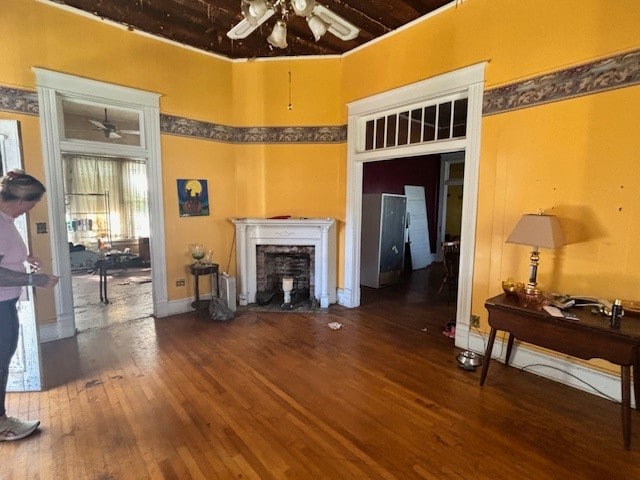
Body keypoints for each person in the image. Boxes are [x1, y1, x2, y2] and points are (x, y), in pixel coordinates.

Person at [0, 169, 58, 441]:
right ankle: (1, 423)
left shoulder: (6, 220)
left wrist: (25, 259)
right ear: (22, 202)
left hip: (6, 303)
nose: (32, 209)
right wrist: (35, 279)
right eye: (33, 204)